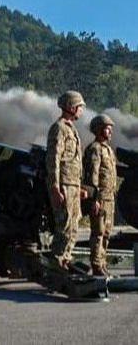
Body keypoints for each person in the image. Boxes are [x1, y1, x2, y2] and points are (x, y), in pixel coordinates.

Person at [45, 90, 86, 270]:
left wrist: (80, 186)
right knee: (65, 225)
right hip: (64, 184)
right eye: (79, 107)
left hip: (73, 184)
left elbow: (74, 161)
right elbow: (54, 159)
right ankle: (57, 261)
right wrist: (55, 187)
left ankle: (65, 259)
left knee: (74, 225)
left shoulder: (71, 129)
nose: (81, 110)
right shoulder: (59, 128)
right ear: (71, 107)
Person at [83, 114, 117, 276]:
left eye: (110, 128)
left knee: (107, 234)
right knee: (98, 232)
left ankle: (102, 264)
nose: (110, 131)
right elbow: (92, 176)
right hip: (100, 198)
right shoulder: (95, 149)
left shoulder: (108, 150)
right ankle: (96, 266)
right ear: (98, 129)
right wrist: (94, 199)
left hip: (109, 198)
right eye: (106, 127)